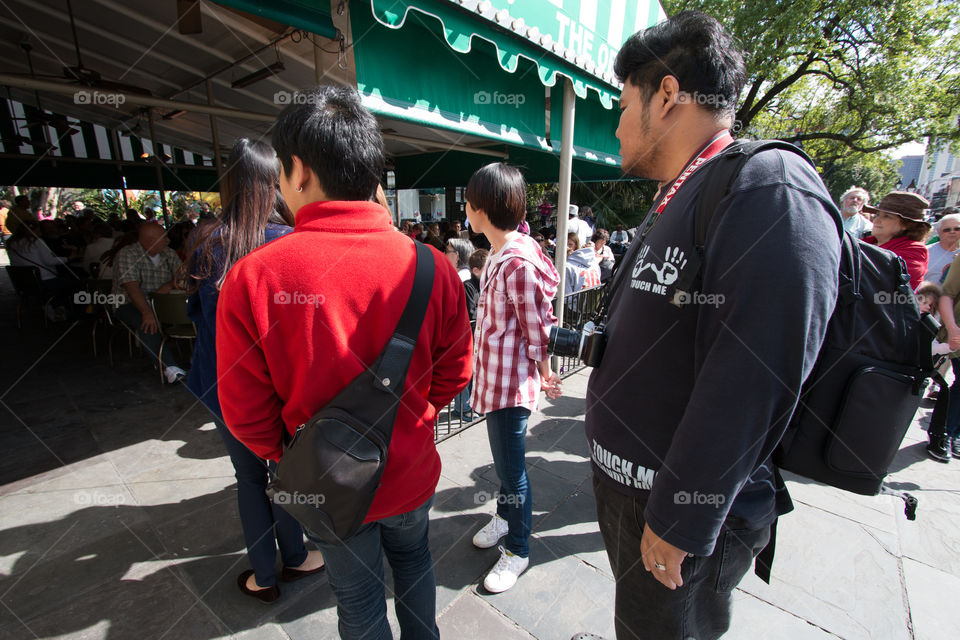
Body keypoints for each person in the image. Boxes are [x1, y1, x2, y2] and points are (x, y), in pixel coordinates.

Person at [579, 12, 841, 640]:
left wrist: (680, 519)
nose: (614, 124)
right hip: (634, 495)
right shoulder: (684, 191)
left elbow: (758, 374)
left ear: (666, 94)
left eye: (621, 103)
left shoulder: (767, 186)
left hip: (681, 513)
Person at [216, 85, 472, 640]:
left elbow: (243, 410)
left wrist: (296, 454)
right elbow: (456, 372)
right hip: (409, 470)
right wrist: (410, 417)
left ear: (299, 171)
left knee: (356, 601)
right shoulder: (432, 267)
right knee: (414, 565)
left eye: (281, 173)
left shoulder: (254, 278)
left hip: (327, 485)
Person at [183, 138, 326, 603]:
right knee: (283, 474)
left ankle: (263, 576)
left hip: (224, 386)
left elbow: (200, 322)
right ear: (275, 182)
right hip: (281, 391)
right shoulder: (291, 242)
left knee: (248, 478)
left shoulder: (207, 242)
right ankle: (297, 555)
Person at [466, 162, 562, 594]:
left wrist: (544, 372)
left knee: (512, 471)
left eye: (469, 201)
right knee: (508, 469)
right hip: (498, 381)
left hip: (509, 386)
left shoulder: (515, 259)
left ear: (481, 208)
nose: (465, 209)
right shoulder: (505, 252)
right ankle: (505, 520)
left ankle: (519, 549)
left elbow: (536, 326)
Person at [113, 222, 187, 383]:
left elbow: (183, 277)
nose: (168, 240)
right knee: (146, 322)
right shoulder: (128, 254)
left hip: (160, 302)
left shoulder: (169, 254)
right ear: (149, 240)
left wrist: (168, 285)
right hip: (127, 303)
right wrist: (147, 312)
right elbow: (131, 287)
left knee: (192, 312)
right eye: (164, 237)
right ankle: (169, 367)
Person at [863, 191, 931, 289]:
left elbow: (886, 282)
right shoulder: (867, 242)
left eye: (886, 216)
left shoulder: (915, 250)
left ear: (906, 224)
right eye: (877, 214)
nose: (876, 220)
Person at [924, 212, 960, 283]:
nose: (952, 232)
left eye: (957, 229)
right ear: (939, 232)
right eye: (947, 230)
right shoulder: (925, 252)